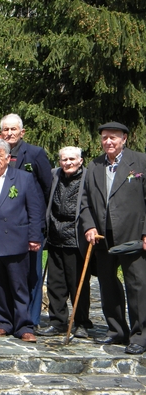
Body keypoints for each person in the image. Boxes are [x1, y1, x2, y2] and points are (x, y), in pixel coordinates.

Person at [80, 122, 146, 355]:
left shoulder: (140, 161)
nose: (108, 141)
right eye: (104, 137)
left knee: (137, 286)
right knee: (107, 285)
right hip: (102, 236)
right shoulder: (95, 165)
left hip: (132, 234)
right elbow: (85, 201)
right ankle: (117, 330)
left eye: (113, 137)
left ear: (124, 138)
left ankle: (140, 336)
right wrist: (89, 226)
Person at [0, 138, 44, 342]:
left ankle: (24, 326)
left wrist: (34, 236)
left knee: (19, 286)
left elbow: (35, 210)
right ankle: (3, 322)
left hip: (17, 241)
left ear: (8, 158)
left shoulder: (23, 179)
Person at [0, 113, 52, 327]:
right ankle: (11, 317)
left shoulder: (35, 153)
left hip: (30, 225)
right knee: (9, 274)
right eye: (6, 129)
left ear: (22, 132)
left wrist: (41, 222)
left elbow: (47, 188)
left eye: (14, 129)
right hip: (5, 227)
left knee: (32, 274)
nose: (10, 133)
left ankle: (31, 319)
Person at [37, 146, 92, 339]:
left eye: (71, 159)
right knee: (55, 284)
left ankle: (82, 322)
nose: (68, 163)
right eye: (64, 159)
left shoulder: (87, 178)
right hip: (55, 237)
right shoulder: (54, 175)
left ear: (80, 161)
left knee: (77, 284)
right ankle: (58, 322)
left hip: (75, 239)